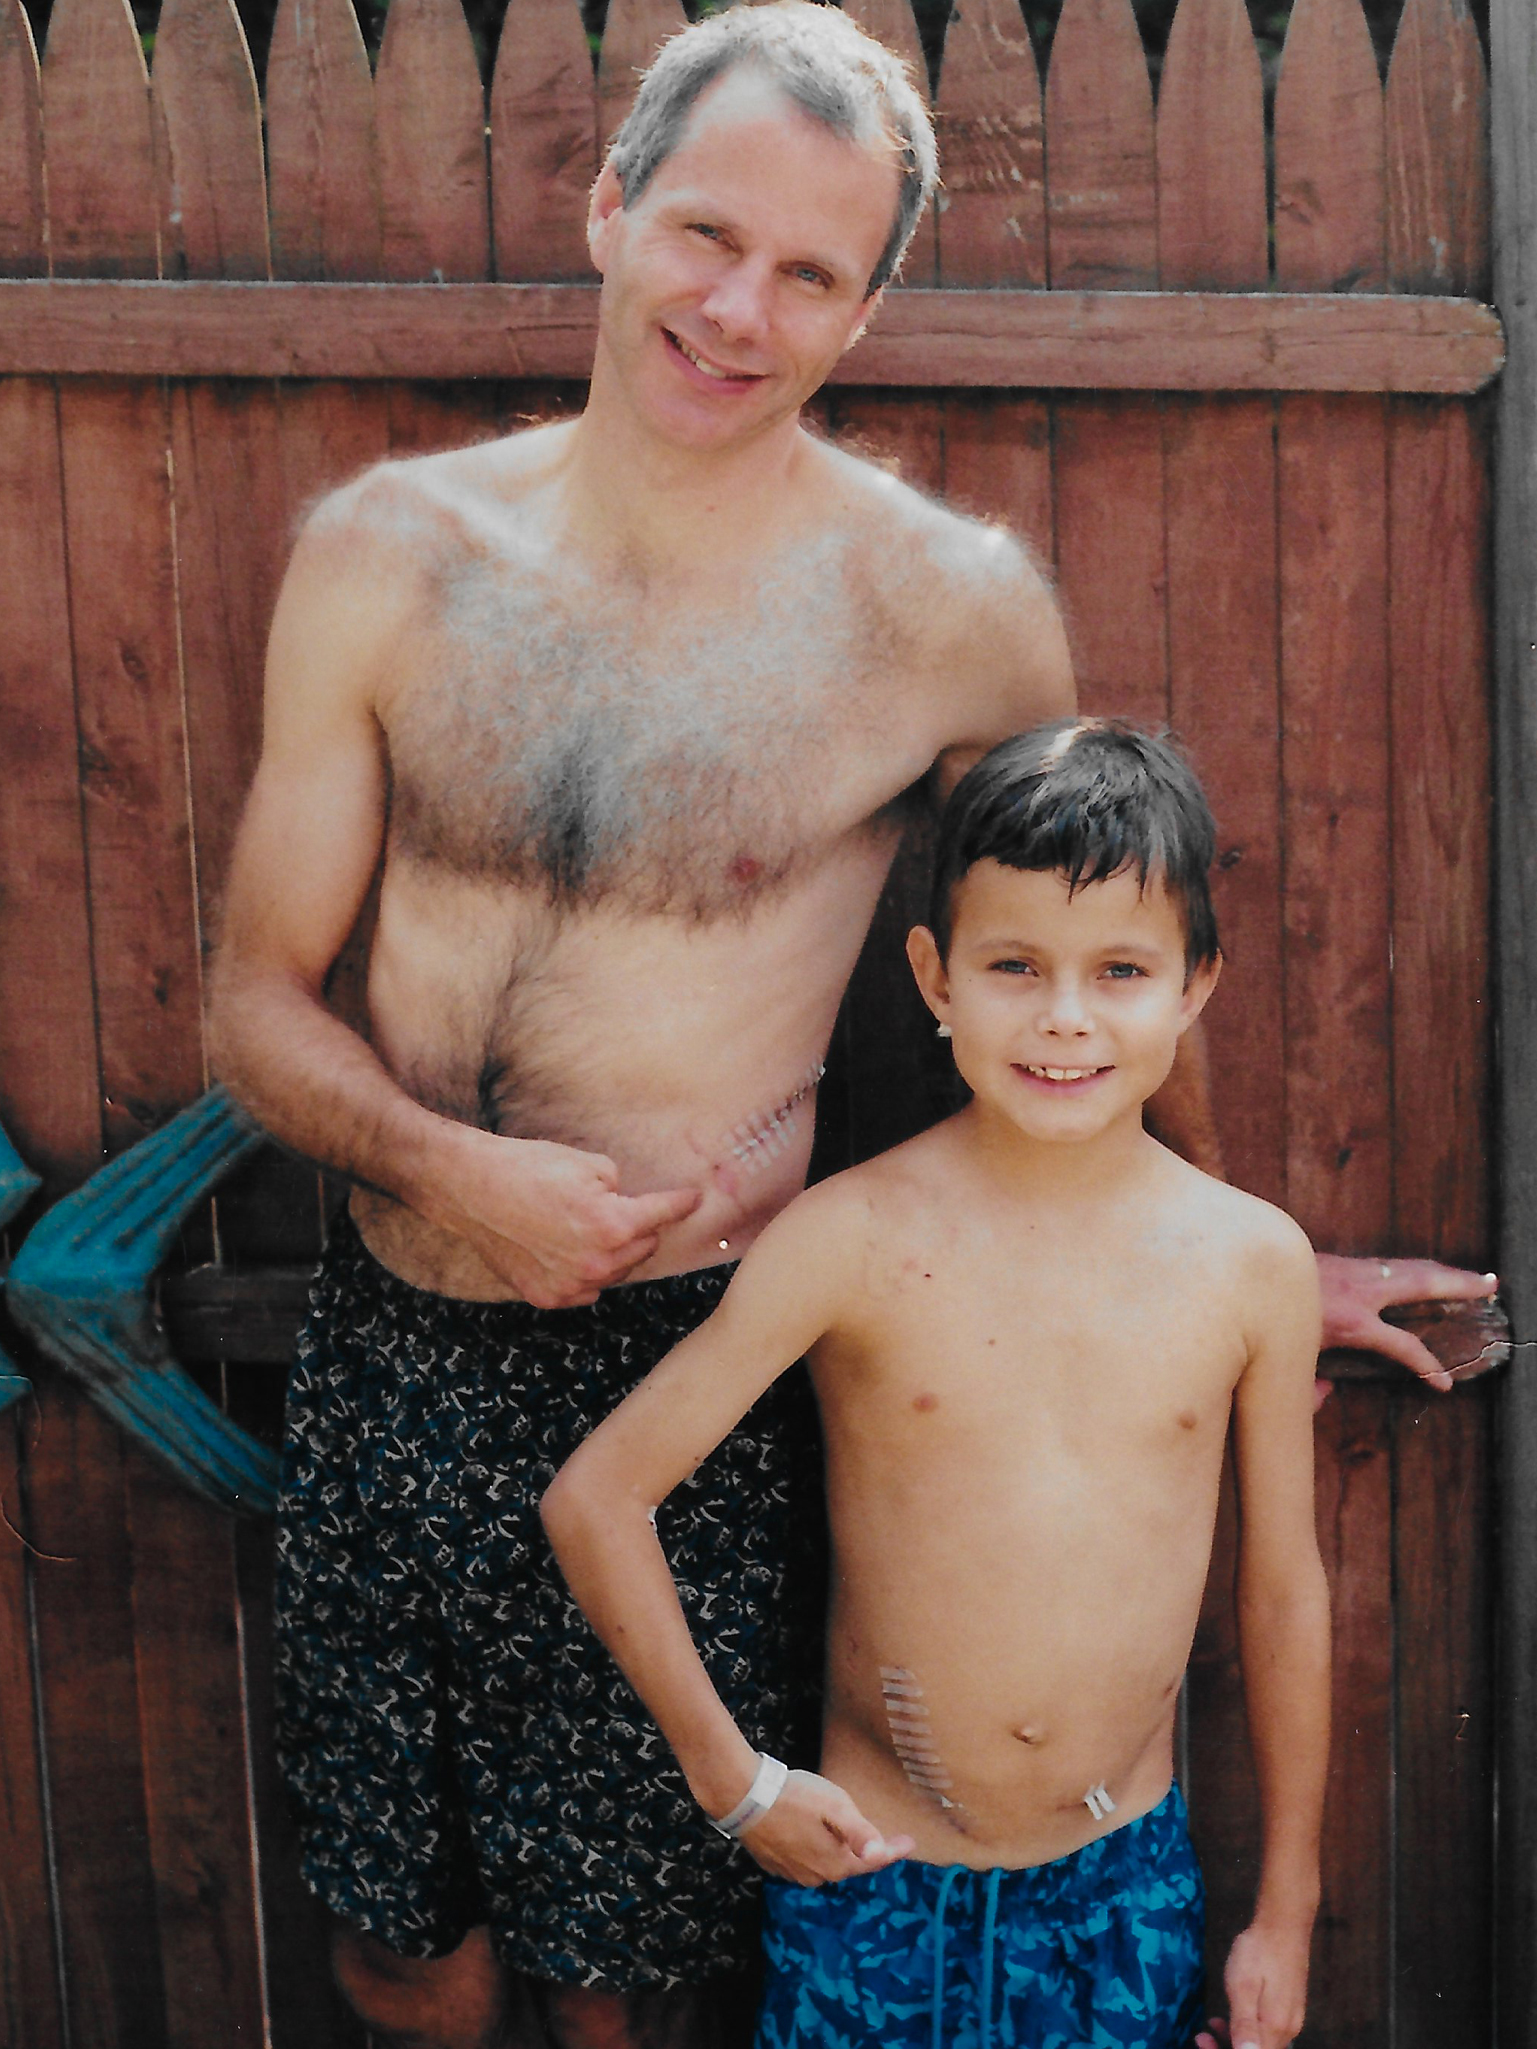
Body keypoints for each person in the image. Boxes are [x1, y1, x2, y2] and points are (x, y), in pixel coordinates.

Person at [207, 5, 1488, 2045]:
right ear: (610, 209)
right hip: (390, 1353)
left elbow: (1096, 935)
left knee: (628, 1990)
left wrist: (1242, 1250)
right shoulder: (386, 556)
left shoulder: (945, 608)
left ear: (869, 305)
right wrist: (456, 1174)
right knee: (395, 1949)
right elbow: (254, 1011)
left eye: (812, 271)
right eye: (707, 233)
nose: (739, 306)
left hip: (699, 1358)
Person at [543, 719, 1331, 2049]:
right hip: (868, 1881)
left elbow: (1280, 1590)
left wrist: (1286, 1911)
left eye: (1119, 969)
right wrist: (733, 1783)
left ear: (1195, 984)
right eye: (1013, 964)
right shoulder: (847, 1238)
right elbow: (596, 1498)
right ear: (935, 974)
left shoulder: (1251, 1262)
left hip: (1118, 1889)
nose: (1064, 1015)